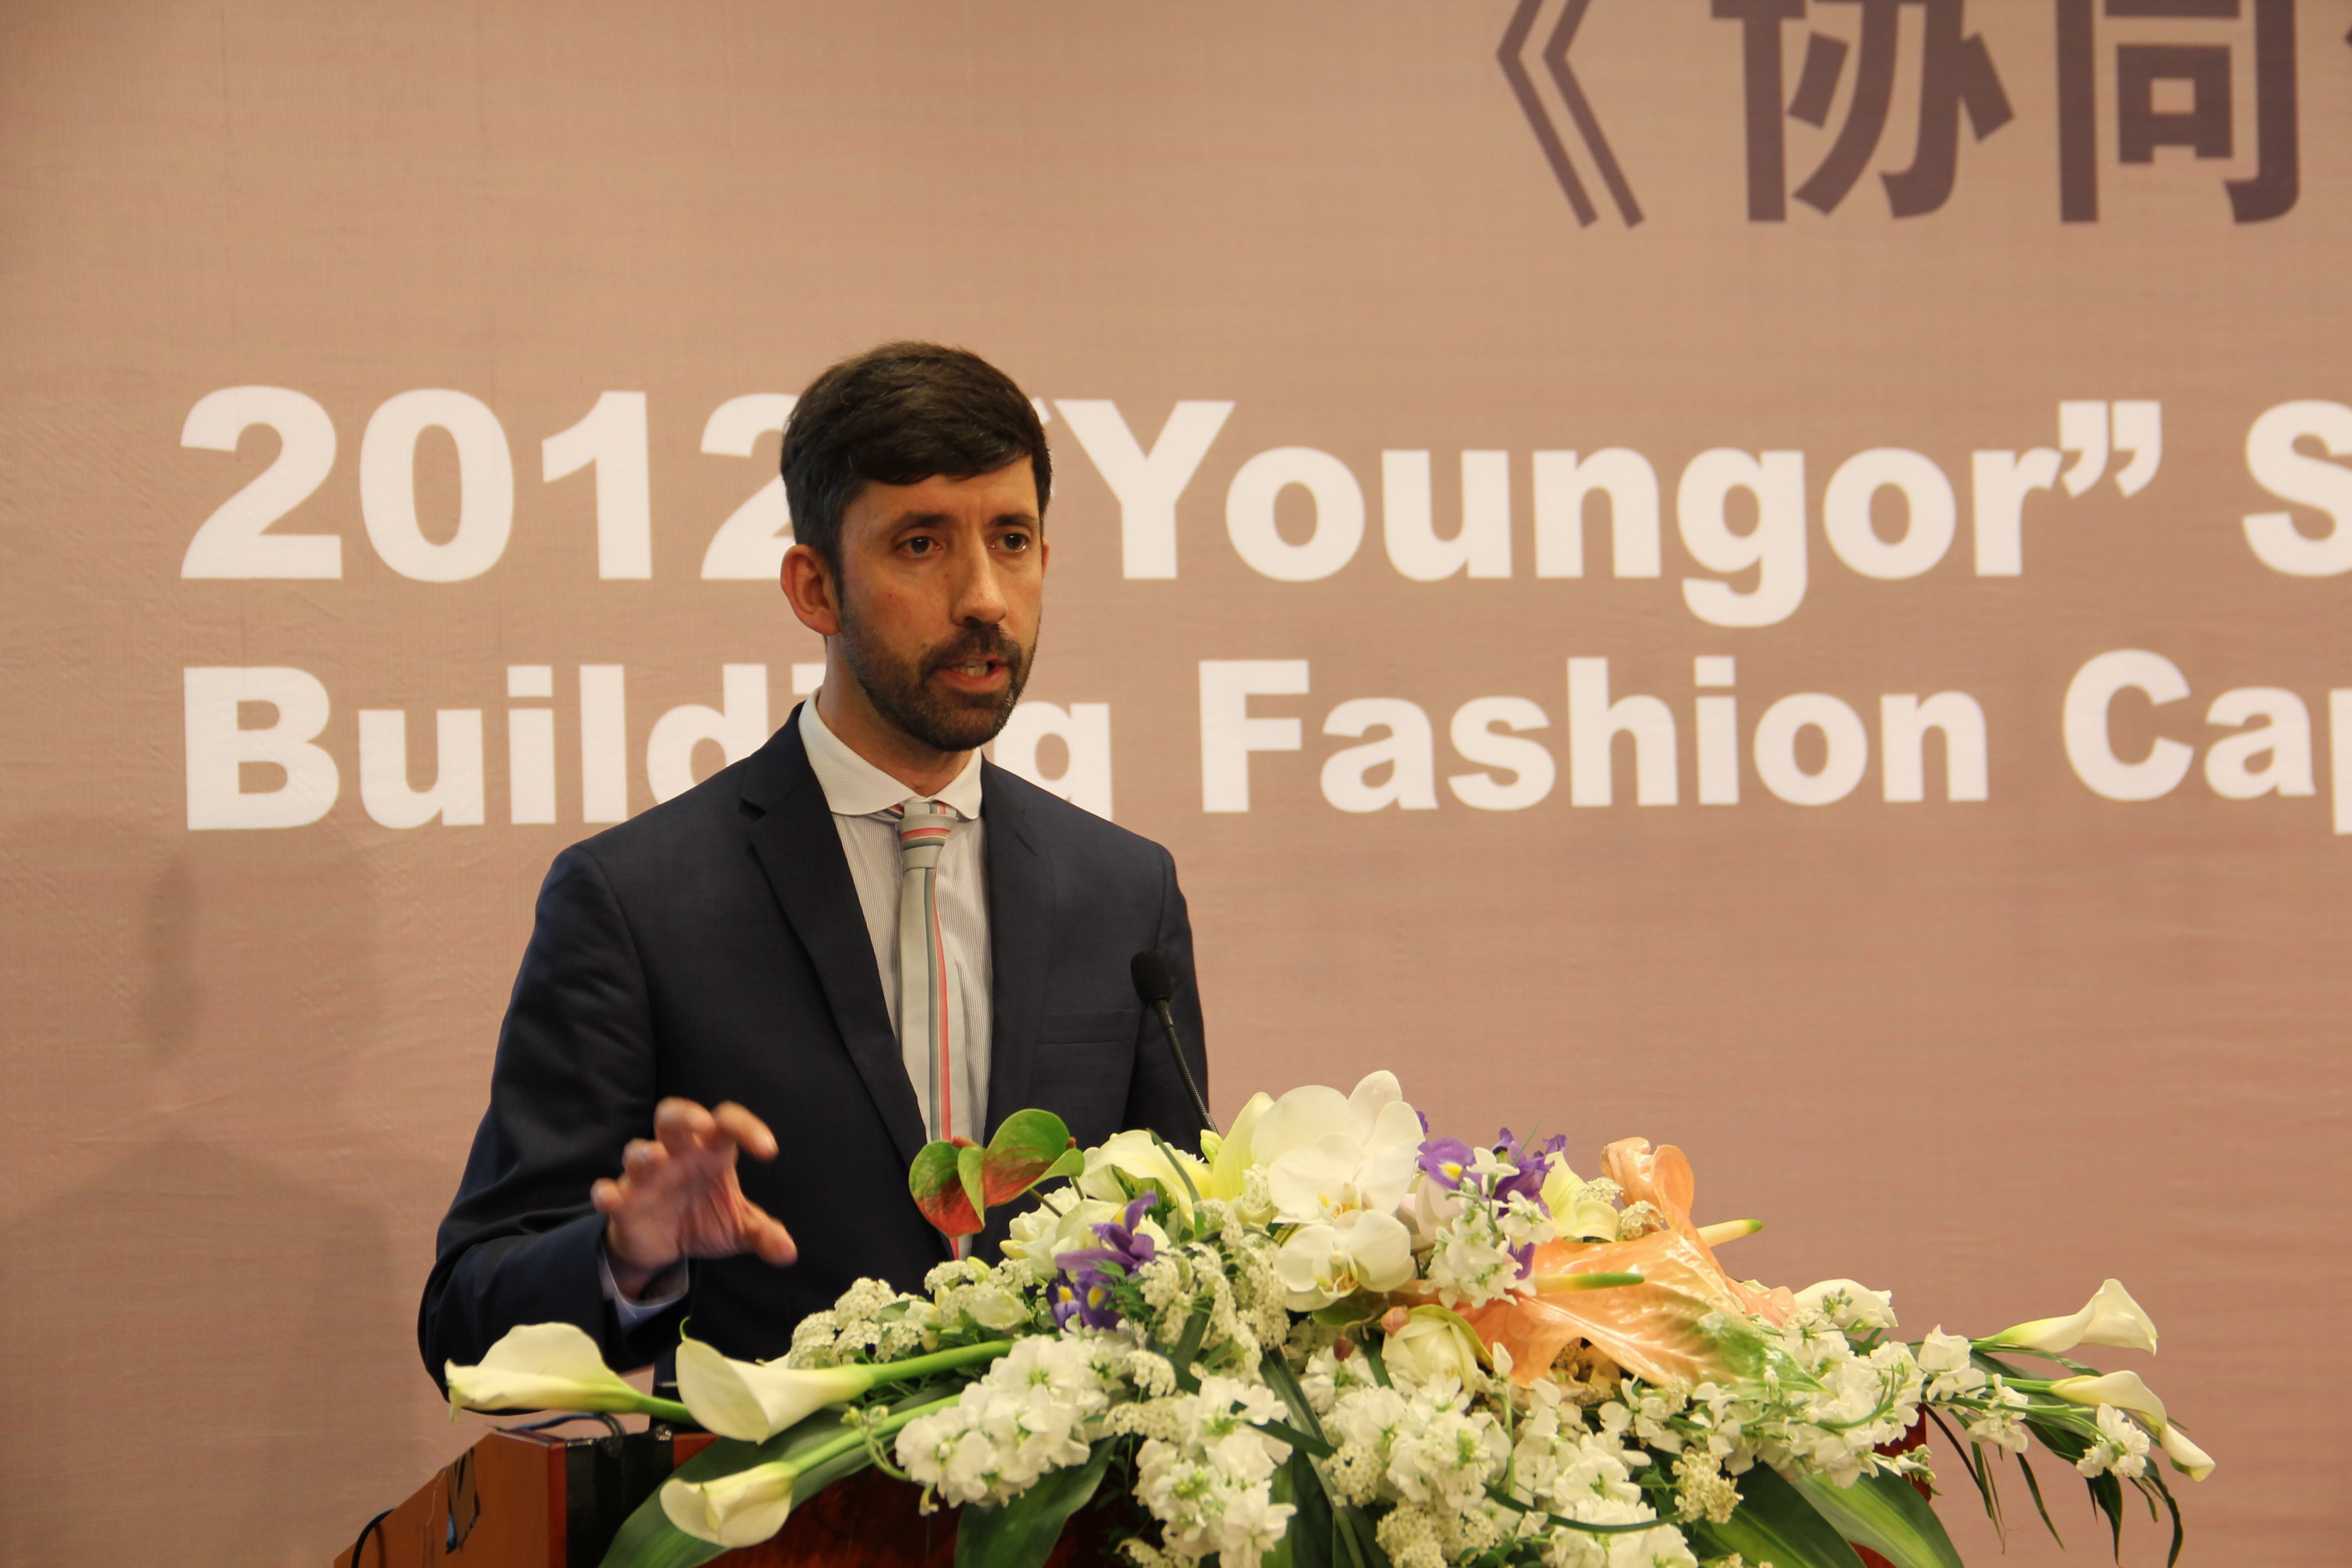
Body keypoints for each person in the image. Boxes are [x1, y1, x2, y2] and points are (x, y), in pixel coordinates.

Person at [418, 343, 1209, 1383]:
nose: (984, 596)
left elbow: (1185, 1257)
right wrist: (627, 1253)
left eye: (1011, 540)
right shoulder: (637, 901)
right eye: (921, 544)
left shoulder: (1123, 892)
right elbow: (467, 1316)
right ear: (815, 587)